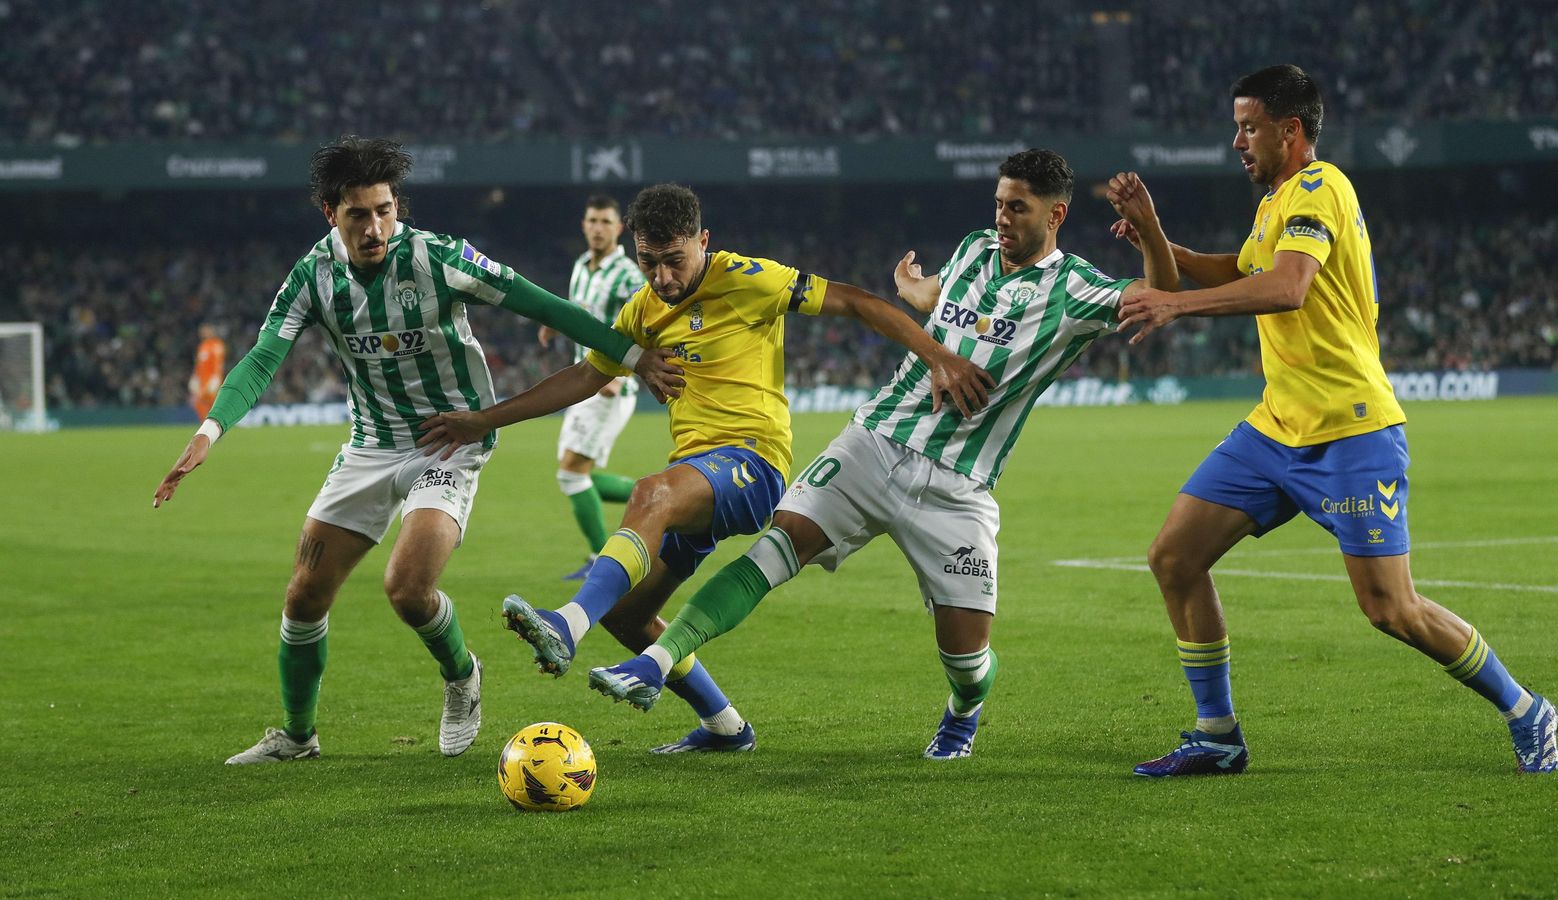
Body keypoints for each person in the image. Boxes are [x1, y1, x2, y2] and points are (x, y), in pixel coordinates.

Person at [585, 149, 1178, 759]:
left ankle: (962, 713)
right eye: (999, 203)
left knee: (966, 658)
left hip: (957, 483)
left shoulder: (1074, 288)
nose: (1002, 217)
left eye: (1017, 208)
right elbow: (940, 298)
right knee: (777, 547)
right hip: (874, 441)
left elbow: (1160, 294)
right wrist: (915, 289)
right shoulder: (975, 249)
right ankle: (657, 662)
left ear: (1056, 215)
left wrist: (1150, 231)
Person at [151, 137, 681, 765]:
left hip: (448, 440)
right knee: (302, 598)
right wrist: (210, 432)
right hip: (370, 444)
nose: (375, 227)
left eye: (384, 210)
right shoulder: (312, 277)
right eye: (358, 215)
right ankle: (297, 737)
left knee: (406, 589)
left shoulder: (438, 258)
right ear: (331, 213)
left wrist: (634, 356)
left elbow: (541, 303)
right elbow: (265, 357)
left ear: (396, 205)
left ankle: (462, 677)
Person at [419, 182, 994, 753]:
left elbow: (856, 301)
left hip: (752, 464)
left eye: (674, 260)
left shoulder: (749, 279)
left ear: (704, 242)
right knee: (629, 614)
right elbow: (583, 377)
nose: (663, 278)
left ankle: (567, 625)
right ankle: (726, 727)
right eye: (649, 262)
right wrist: (484, 419)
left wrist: (938, 357)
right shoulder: (643, 310)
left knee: (650, 494)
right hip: (697, 475)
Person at [1115, 65, 1558, 776]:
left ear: (1290, 132)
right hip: (1274, 428)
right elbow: (1234, 269)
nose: (1237, 141)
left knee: (1392, 610)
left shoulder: (1322, 187)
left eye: (1249, 126)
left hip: (1350, 430)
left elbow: (1288, 287)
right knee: (1174, 557)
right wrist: (1153, 232)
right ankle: (1218, 734)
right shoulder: (1275, 206)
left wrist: (1175, 305)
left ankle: (1526, 708)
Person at [537, 195, 649, 581]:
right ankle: (661, 496)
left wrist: (622, 374)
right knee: (574, 473)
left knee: (571, 473)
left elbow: (647, 322)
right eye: (592, 220)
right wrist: (556, 322)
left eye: (605, 221)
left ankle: (602, 560)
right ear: (584, 225)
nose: (598, 227)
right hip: (582, 381)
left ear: (618, 228)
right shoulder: (581, 267)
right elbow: (581, 310)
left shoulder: (629, 275)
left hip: (608, 385)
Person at [189, 323, 226, 421]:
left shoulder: (216, 345)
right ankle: (207, 427)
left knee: (212, 404)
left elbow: (218, 364)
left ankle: (215, 426)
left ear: (211, 331)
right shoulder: (202, 346)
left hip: (211, 381)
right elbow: (199, 365)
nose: (203, 333)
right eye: (201, 331)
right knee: (199, 404)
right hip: (202, 382)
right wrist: (195, 378)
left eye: (205, 330)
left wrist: (215, 379)